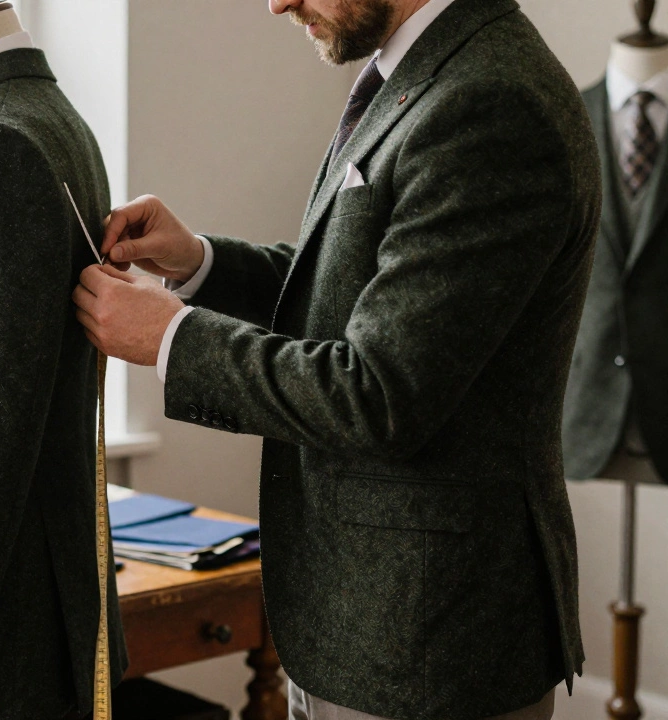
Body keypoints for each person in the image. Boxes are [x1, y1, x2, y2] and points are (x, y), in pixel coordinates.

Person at [72, 0, 602, 718]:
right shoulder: (424, 72)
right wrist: (199, 264)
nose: (278, 3)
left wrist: (173, 338)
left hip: (427, 646)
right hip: (363, 625)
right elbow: (362, 299)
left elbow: (377, 392)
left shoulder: (492, 100)